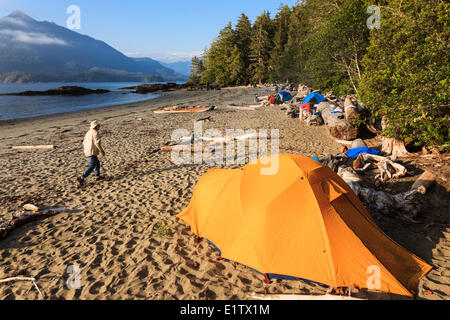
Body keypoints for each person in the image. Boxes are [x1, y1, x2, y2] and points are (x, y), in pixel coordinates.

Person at [77, 120, 105, 185]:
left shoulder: (89, 132)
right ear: (96, 126)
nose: (99, 126)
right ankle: (81, 177)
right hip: (91, 152)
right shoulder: (95, 133)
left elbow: (84, 142)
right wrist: (102, 151)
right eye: (98, 125)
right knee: (92, 165)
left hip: (87, 150)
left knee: (97, 163)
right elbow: (97, 143)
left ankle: (97, 176)